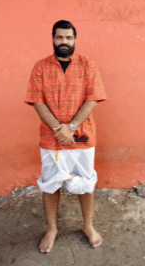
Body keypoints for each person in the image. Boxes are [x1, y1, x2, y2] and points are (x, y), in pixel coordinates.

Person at [24, 20, 107, 253]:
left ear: (75, 40)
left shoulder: (87, 65)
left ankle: (88, 226)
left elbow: (93, 98)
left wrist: (71, 127)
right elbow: (36, 101)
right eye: (59, 37)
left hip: (83, 136)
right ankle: (52, 229)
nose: (64, 42)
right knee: (50, 185)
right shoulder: (40, 67)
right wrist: (59, 130)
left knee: (87, 182)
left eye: (68, 38)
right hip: (51, 138)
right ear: (52, 39)